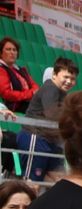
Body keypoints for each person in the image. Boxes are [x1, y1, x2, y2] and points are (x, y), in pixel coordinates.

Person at [21, 57, 75, 182]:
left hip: (52, 141)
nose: (69, 81)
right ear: (54, 75)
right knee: (32, 182)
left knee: (57, 182)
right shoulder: (50, 88)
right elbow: (52, 114)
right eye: (65, 77)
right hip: (36, 137)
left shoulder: (62, 93)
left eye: (72, 79)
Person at [0, 38, 36, 175]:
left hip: (25, 108)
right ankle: (16, 171)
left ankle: (21, 171)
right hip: (12, 109)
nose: (12, 52)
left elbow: (35, 87)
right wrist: (28, 94)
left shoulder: (21, 70)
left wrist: (29, 93)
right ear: (1, 52)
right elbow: (6, 93)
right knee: (11, 141)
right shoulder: (1, 70)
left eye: (14, 50)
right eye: (8, 49)